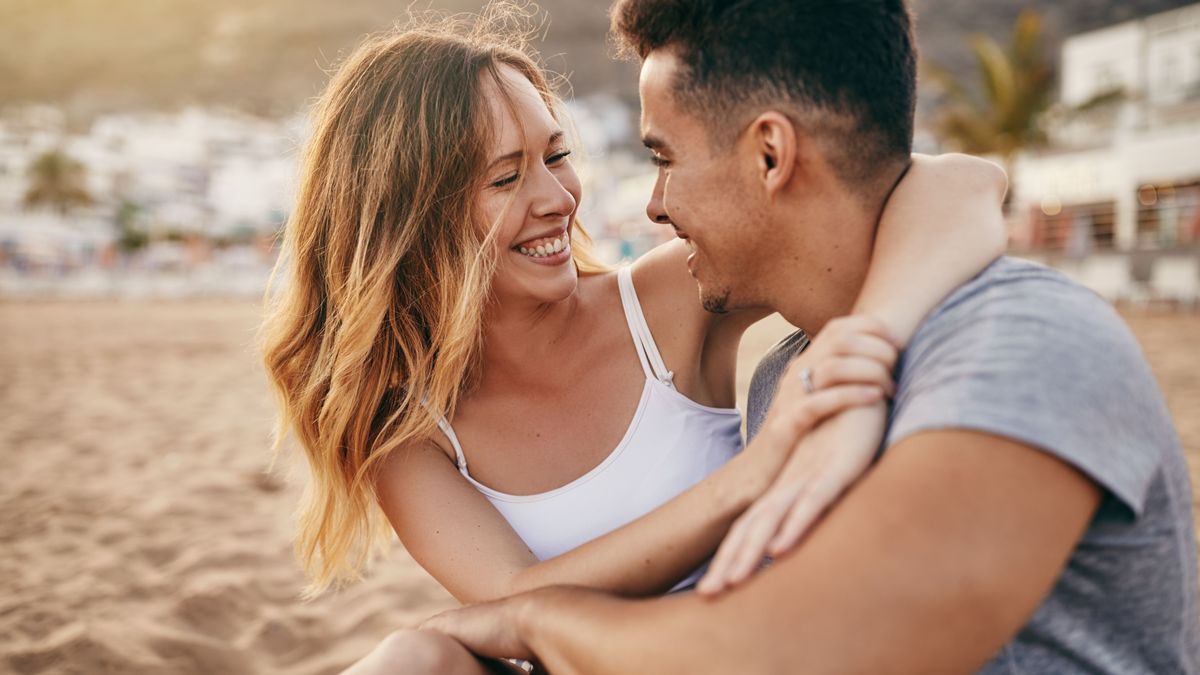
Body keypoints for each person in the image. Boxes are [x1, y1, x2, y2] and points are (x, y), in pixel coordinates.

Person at [421, 1, 1200, 673]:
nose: (653, 206)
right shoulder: (787, 377)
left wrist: (532, 620)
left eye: (664, 158)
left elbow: (777, 655)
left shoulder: (1029, 350)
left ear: (771, 152)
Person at [258, 7, 1008, 675]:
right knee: (412, 660)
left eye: (555, 157)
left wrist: (868, 347)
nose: (556, 200)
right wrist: (756, 472)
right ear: (411, 220)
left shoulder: (666, 301)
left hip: (752, 650)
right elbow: (516, 604)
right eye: (506, 178)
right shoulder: (410, 433)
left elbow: (964, 182)